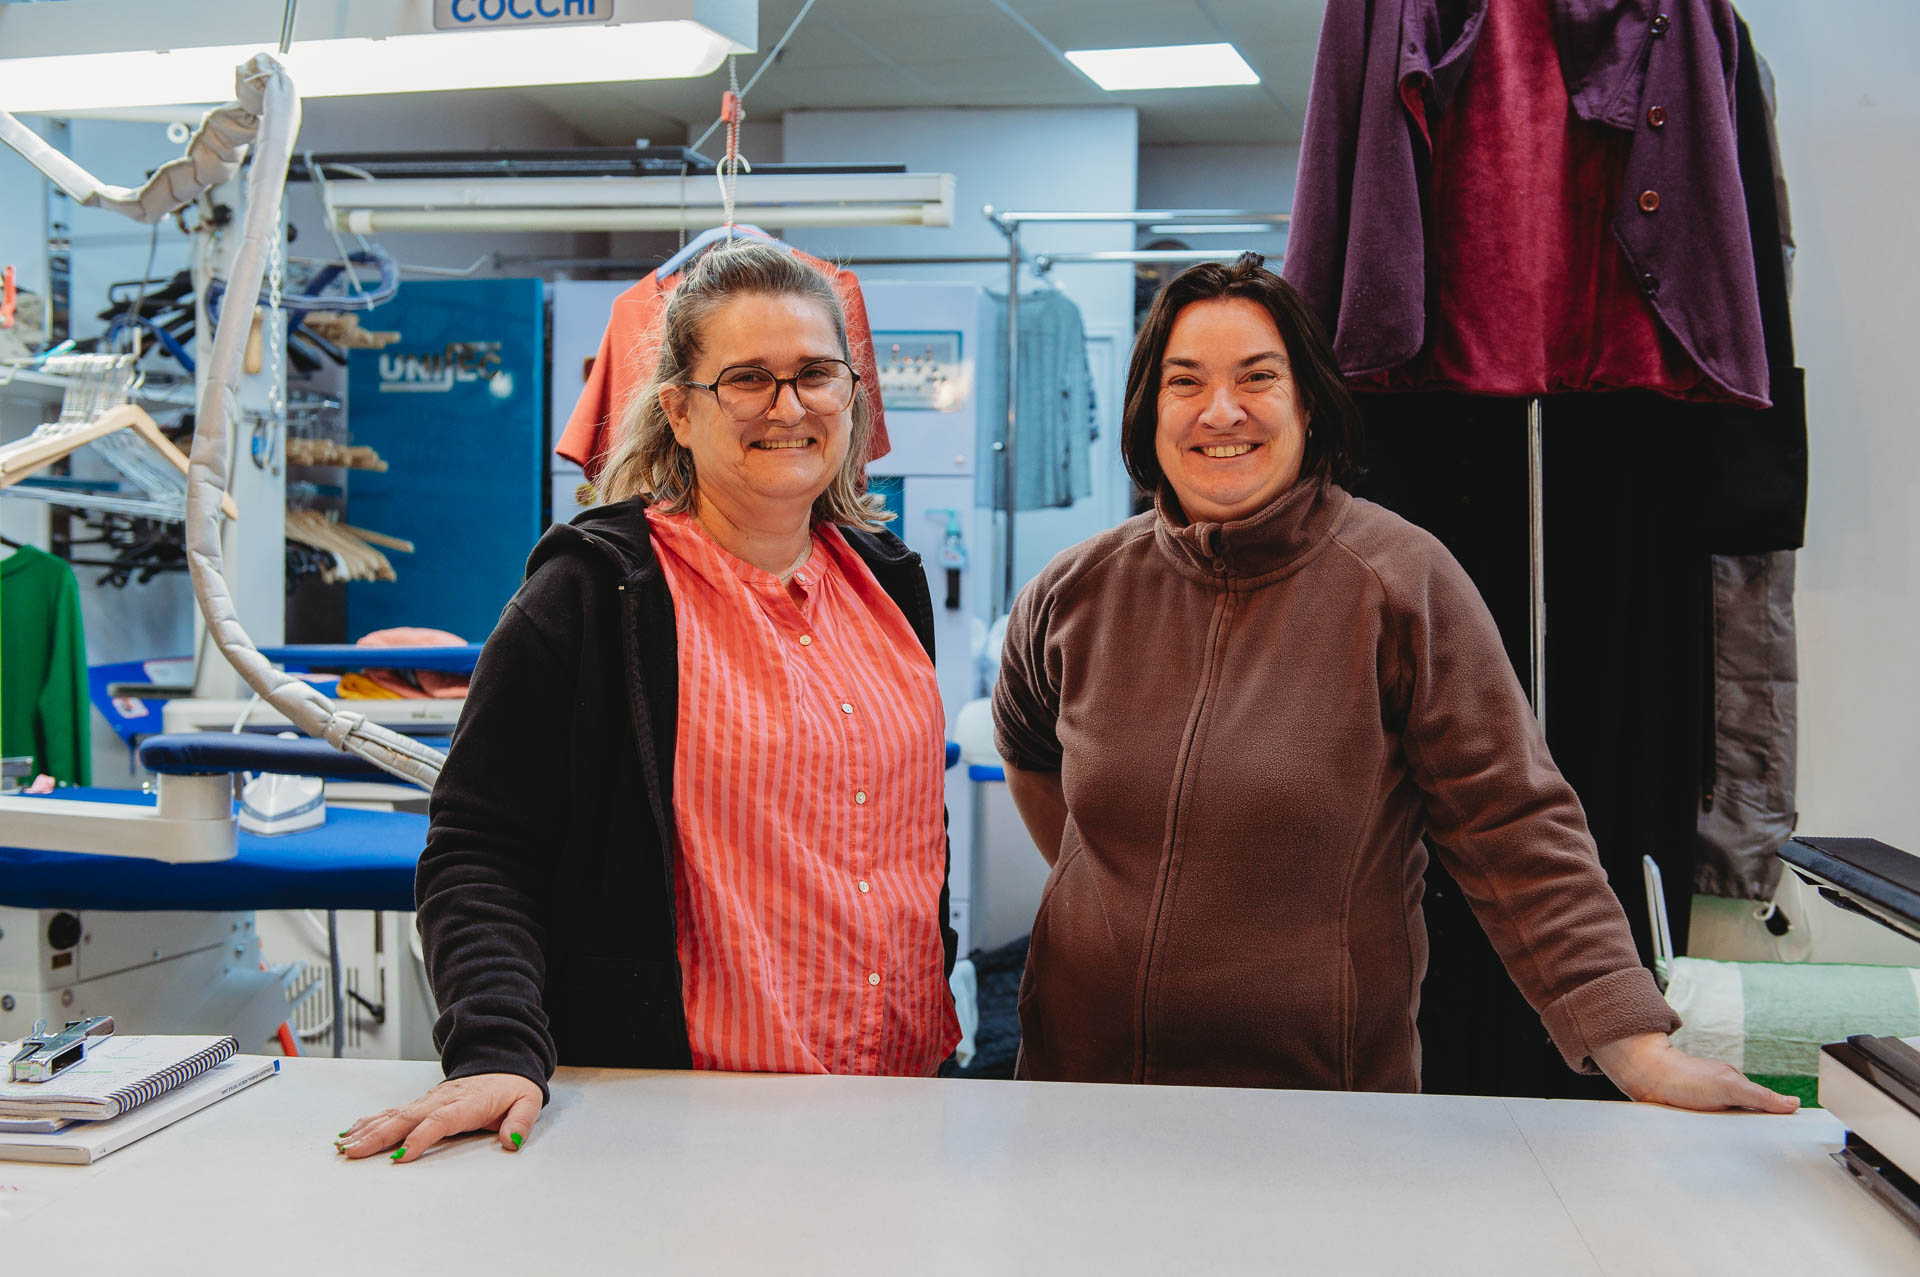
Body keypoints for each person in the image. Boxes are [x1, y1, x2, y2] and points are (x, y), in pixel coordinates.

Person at [992, 253, 1795, 1112]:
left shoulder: (1398, 581)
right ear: (1149, 410)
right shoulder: (1074, 591)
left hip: (1320, 1110)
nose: (1220, 411)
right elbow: (1034, 761)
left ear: (1308, 403)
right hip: (1080, 1093)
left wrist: (1633, 1046)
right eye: (1185, 381)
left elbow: (1514, 826)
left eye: (1257, 377)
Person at [339, 242, 960, 1163]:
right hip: (680, 1123)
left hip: (903, 1105)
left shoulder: (887, 583)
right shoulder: (594, 594)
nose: (789, 407)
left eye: (816, 374)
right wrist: (497, 1047)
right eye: (747, 378)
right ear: (678, 406)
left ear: (851, 393)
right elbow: (478, 845)